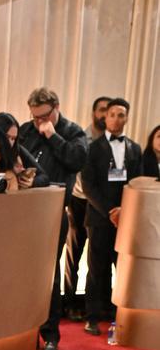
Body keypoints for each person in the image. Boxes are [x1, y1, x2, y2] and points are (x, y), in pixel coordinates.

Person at [18, 87, 87, 350]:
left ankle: (50, 333)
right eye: (34, 117)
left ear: (56, 108)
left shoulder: (73, 132)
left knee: (49, 273)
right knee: (21, 271)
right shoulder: (25, 130)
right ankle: (23, 331)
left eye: (44, 116)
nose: (39, 122)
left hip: (54, 213)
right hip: (24, 213)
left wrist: (52, 136)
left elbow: (77, 161)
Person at [81, 98, 142, 334]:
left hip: (127, 219)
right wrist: (110, 211)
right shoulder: (92, 148)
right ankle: (92, 317)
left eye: (121, 115)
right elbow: (88, 185)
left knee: (124, 268)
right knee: (96, 268)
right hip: (99, 217)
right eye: (113, 114)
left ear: (127, 118)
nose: (117, 118)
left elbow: (135, 183)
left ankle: (118, 314)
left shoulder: (134, 149)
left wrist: (124, 210)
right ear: (105, 117)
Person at [63, 97, 111, 319]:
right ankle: (70, 303)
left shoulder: (114, 142)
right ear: (93, 113)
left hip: (103, 204)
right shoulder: (84, 137)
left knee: (100, 255)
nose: (104, 115)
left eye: (107, 111)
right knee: (75, 250)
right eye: (101, 110)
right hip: (80, 200)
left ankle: (100, 303)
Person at [0, 112, 49, 188]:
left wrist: (32, 182)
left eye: (13, 138)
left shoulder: (17, 149)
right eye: (6, 137)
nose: (10, 143)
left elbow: (44, 177)